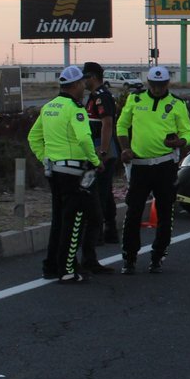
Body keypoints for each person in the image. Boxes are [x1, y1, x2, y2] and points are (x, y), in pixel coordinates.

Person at [27, 65, 102, 283]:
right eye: (82, 85)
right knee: (74, 219)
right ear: (76, 85)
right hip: (73, 172)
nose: (84, 89)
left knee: (59, 219)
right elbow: (83, 139)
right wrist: (96, 162)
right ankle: (67, 269)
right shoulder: (75, 109)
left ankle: (51, 265)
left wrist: (45, 158)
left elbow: (33, 137)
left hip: (55, 171)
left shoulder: (49, 107)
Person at [116, 65, 190, 275]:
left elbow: (188, 131)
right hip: (140, 166)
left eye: (161, 85)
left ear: (167, 83)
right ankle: (129, 258)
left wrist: (180, 141)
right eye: (154, 85)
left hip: (165, 165)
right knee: (133, 212)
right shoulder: (135, 99)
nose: (157, 89)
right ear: (148, 83)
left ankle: (158, 256)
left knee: (165, 212)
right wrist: (125, 148)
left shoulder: (177, 104)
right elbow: (121, 125)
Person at [82, 61, 120, 245]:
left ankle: (97, 233)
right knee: (105, 191)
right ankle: (110, 230)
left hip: (102, 148)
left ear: (94, 77)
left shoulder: (101, 96)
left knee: (98, 192)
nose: (83, 80)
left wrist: (103, 151)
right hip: (98, 146)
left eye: (86, 77)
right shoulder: (93, 96)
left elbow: (107, 124)